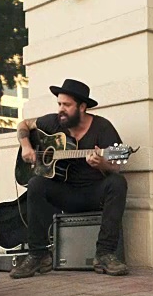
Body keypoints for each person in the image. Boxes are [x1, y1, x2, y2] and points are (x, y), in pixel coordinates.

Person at [9, 79, 129, 279]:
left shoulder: (102, 127)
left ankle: (105, 254)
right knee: (36, 183)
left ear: (82, 107)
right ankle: (38, 254)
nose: (61, 110)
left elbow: (117, 166)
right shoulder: (54, 122)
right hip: (63, 192)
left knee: (118, 183)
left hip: (92, 192)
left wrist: (102, 164)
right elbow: (24, 124)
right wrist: (26, 146)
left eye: (66, 105)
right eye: (59, 104)